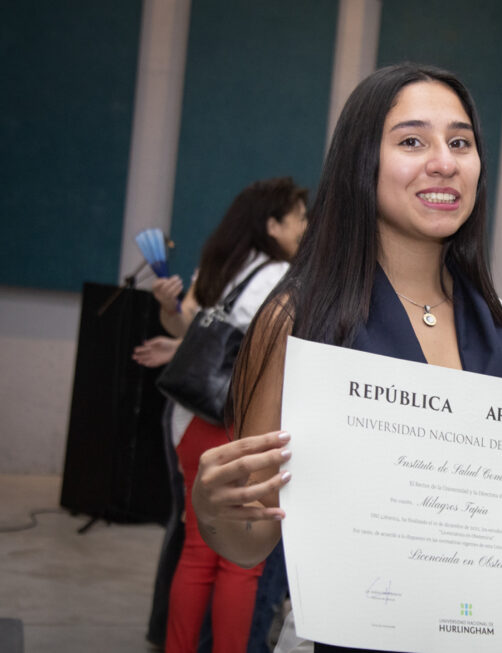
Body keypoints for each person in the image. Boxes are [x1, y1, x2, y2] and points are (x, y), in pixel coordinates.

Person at [186, 64, 502, 653]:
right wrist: (215, 508)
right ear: (362, 162)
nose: (444, 162)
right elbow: (249, 540)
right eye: (412, 141)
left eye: (460, 142)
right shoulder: (298, 323)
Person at [151, 176, 309, 653]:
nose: (306, 228)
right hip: (235, 425)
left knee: (196, 553)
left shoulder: (222, 263)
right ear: (272, 225)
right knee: (242, 564)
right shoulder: (278, 277)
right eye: (300, 218)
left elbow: (187, 327)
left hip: (188, 420)